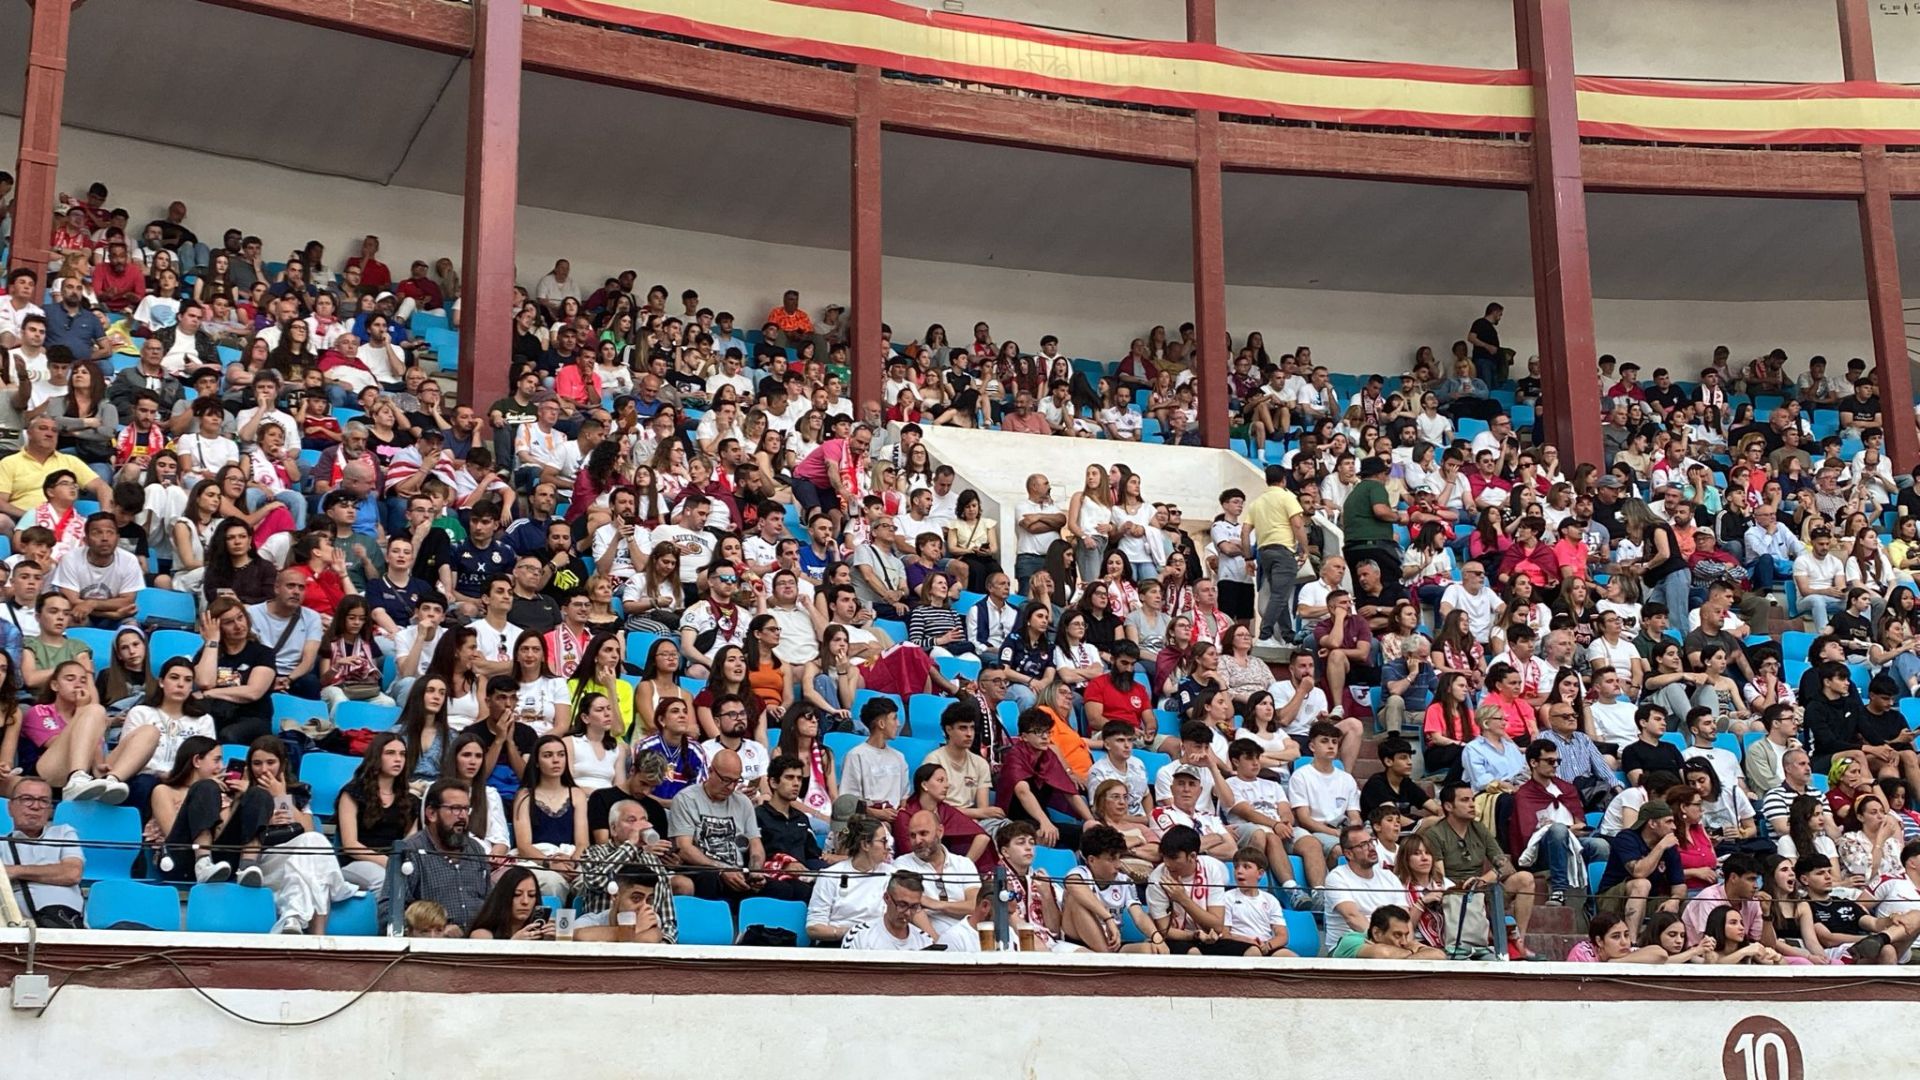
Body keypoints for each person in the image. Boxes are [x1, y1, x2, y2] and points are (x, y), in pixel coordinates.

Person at [1426, 781, 1540, 959]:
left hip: (1482, 890)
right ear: (1448, 806)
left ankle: (1518, 942)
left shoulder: (1479, 828)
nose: (1472, 804)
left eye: (1472, 799)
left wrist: (1482, 881)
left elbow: (1506, 865)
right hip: (1455, 894)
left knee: (1525, 878)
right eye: (1465, 800)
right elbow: (1439, 877)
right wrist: (1467, 886)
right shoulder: (1435, 833)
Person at [1510, 739, 1610, 905]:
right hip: (1543, 849)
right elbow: (1528, 834)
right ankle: (1558, 890)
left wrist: (1574, 829)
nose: (1555, 765)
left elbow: (1580, 822)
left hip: (1573, 842)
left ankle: (1600, 895)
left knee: (1600, 845)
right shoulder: (1524, 794)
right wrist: (1565, 830)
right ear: (1534, 763)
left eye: (1558, 761)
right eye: (1550, 761)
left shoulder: (1567, 788)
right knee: (1557, 830)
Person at [333, 732, 421, 895]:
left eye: (402, 754)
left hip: (396, 863)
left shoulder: (411, 800)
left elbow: (409, 843)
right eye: (390, 753)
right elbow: (350, 844)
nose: (398, 759)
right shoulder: (352, 793)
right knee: (384, 880)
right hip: (357, 862)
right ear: (376, 756)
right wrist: (387, 862)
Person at [0, 775, 85, 927]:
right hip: (16, 925)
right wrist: (52, 872)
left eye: (43, 801)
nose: (35, 806)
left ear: (50, 810)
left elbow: (72, 873)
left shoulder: (64, 832)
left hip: (65, 921)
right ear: (10, 807)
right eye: (27, 799)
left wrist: (15, 871)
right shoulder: (2, 843)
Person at [1287, 720, 1361, 890]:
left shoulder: (1347, 778)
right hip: (1316, 831)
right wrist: (1336, 833)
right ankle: (1335, 891)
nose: (1331, 746)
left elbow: (1354, 815)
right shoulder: (1301, 776)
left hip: (1343, 830)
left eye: (1334, 742)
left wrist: (1354, 831)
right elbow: (1304, 819)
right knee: (1339, 850)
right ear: (1312, 746)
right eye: (1324, 741)